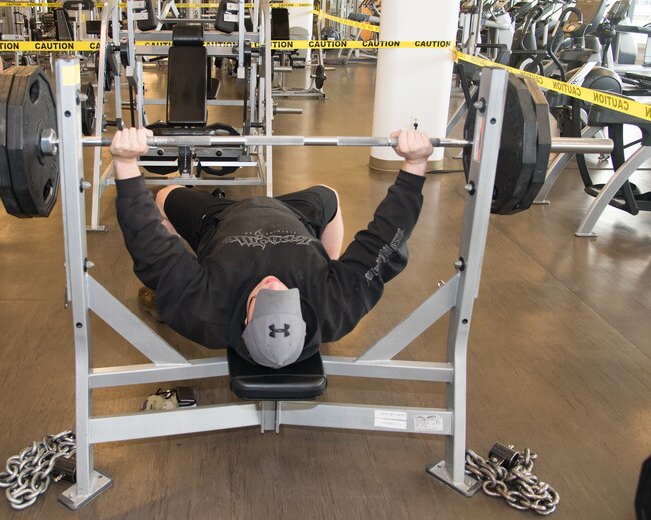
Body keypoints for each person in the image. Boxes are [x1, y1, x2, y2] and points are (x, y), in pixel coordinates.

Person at [112, 127, 433, 369]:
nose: (272, 282)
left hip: (219, 220)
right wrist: (415, 166)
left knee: (164, 196)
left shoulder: (204, 310)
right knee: (330, 196)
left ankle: (174, 287)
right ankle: (331, 266)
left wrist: (126, 164)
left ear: (244, 320)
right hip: (296, 217)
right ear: (305, 316)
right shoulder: (334, 306)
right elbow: (385, 242)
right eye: (283, 294)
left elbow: (149, 245)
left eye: (261, 297)